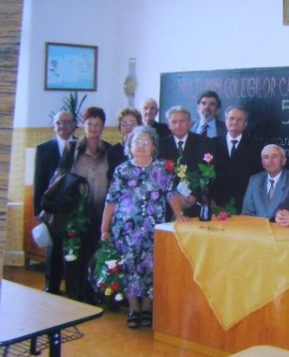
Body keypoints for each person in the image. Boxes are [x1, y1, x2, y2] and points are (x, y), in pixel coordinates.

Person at [101, 126, 188, 329]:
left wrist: (178, 214)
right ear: (130, 146)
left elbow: (171, 192)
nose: (141, 146)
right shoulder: (122, 170)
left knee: (151, 268)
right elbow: (111, 201)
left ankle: (148, 307)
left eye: (146, 142)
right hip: (125, 231)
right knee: (129, 268)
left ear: (153, 146)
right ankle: (134, 308)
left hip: (152, 230)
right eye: (137, 142)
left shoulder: (161, 168)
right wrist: (104, 229)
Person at [61, 106, 111, 302]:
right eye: (90, 123)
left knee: (93, 254)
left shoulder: (108, 150)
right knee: (75, 255)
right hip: (75, 214)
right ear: (83, 125)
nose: (93, 127)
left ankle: (90, 295)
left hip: (99, 212)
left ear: (103, 127)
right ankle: (73, 295)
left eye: (98, 124)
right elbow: (61, 176)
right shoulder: (72, 148)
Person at [33, 111, 77, 294]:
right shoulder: (44, 149)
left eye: (67, 122)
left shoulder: (81, 146)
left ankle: (74, 290)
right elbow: (39, 181)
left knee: (74, 251)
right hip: (52, 211)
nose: (63, 126)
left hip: (74, 209)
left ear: (74, 125)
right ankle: (51, 289)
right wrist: (38, 211)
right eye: (59, 122)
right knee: (53, 252)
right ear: (54, 125)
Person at [159, 105, 215, 219]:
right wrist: (176, 197)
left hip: (196, 203)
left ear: (189, 123)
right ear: (168, 124)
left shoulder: (205, 143)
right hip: (169, 206)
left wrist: (195, 194)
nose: (178, 125)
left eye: (182, 121)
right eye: (174, 122)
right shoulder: (160, 145)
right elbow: (160, 176)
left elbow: (209, 172)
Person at [212, 106, 262, 213]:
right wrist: (208, 199)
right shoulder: (212, 144)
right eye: (231, 118)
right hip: (215, 204)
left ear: (245, 124)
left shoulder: (255, 147)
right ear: (226, 121)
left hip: (244, 205)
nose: (235, 122)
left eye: (239, 119)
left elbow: (258, 177)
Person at [241, 144, 289, 218]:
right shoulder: (255, 180)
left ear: (283, 161)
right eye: (266, 157)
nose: (270, 161)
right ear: (262, 162)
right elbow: (247, 213)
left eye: (274, 157)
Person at [108, 107, 142, 181]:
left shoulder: (144, 148)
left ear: (139, 126)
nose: (128, 127)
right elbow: (111, 177)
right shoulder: (113, 151)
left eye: (132, 124)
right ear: (120, 127)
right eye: (124, 124)